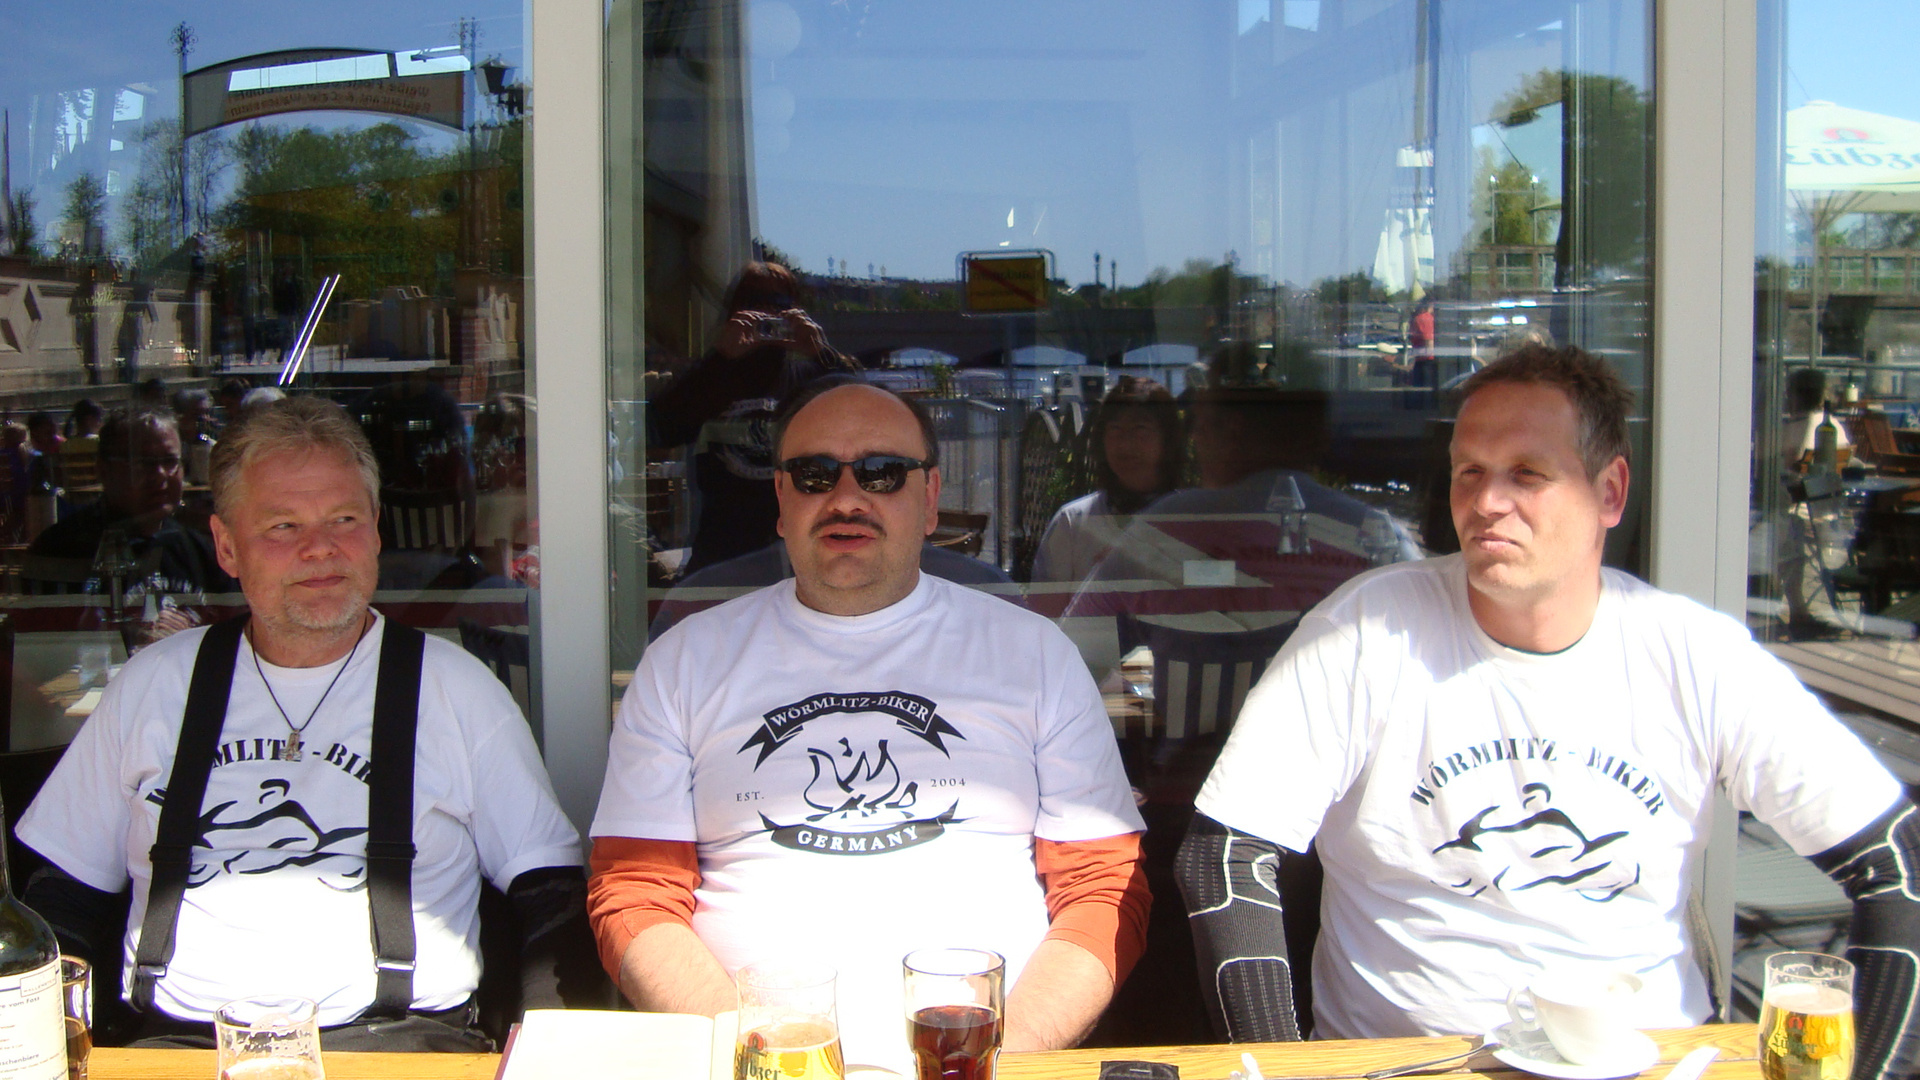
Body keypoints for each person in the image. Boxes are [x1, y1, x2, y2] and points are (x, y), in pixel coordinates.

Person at [1176, 344, 1920, 1080]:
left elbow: (1895, 860)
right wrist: (1280, 1071)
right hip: (1417, 1066)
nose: (1486, 502)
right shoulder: (1367, 630)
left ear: (1609, 493)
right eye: (1470, 472)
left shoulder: (1693, 654)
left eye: (1527, 474)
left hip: (1650, 1062)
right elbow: (1225, 856)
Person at [588, 382, 1148, 1071]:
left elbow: (1102, 889)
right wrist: (749, 1051)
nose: (847, 498)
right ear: (781, 500)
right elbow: (636, 893)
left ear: (930, 497)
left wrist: (1007, 1057)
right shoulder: (683, 662)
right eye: (814, 474)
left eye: (882, 472)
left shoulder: (1035, 655)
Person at [17, 396, 593, 1050]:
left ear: (376, 530)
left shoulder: (457, 691)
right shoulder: (154, 685)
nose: (321, 548)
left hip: (393, 1048)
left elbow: (550, 898)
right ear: (227, 547)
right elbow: (61, 896)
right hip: (179, 1049)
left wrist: (551, 1054)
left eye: (344, 519)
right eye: (283, 526)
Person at [649, 261, 859, 573]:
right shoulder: (714, 378)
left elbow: (868, 417)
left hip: (801, 557)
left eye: (779, 304)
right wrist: (721, 358)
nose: (767, 315)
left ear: (795, 311)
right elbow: (662, 428)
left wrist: (821, 353)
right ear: (735, 311)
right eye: (754, 303)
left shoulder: (809, 378)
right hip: (724, 553)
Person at [23, 408, 236, 609]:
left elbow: (234, 621)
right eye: (143, 463)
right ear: (104, 470)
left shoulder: (201, 551)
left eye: (170, 461)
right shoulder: (60, 551)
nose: (161, 474)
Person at [1031, 376, 1185, 585]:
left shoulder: (1192, 519)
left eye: (1140, 429)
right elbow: (1046, 604)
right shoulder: (1073, 522)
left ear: (1168, 439)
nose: (1125, 444)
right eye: (1115, 429)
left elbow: (1218, 582)